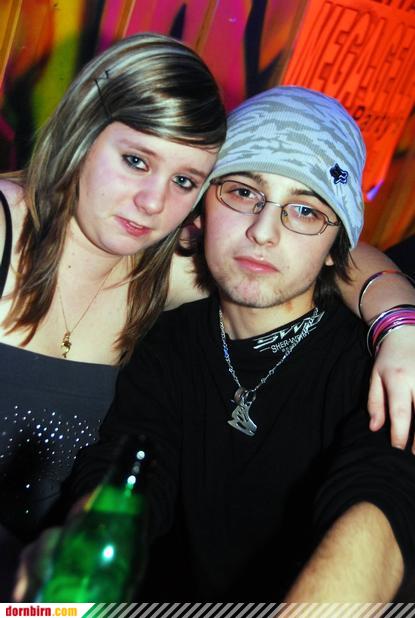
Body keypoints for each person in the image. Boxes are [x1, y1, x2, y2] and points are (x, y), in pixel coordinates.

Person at [0, 31, 414, 551]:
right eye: (136, 160)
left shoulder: (160, 273)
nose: (153, 202)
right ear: (82, 133)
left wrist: (400, 325)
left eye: (184, 181)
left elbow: (331, 255)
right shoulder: (8, 226)